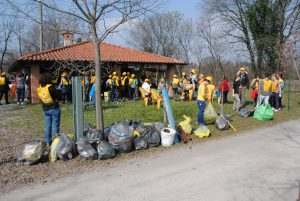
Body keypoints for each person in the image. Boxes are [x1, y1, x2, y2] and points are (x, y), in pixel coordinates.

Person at [37, 73, 61, 147]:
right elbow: (57, 96)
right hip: (54, 108)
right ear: (48, 79)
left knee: (48, 126)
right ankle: (56, 141)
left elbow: (41, 99)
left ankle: (48, 142)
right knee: (55, 125)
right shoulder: (50, 87)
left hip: (45, 109)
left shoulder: (39, 89)